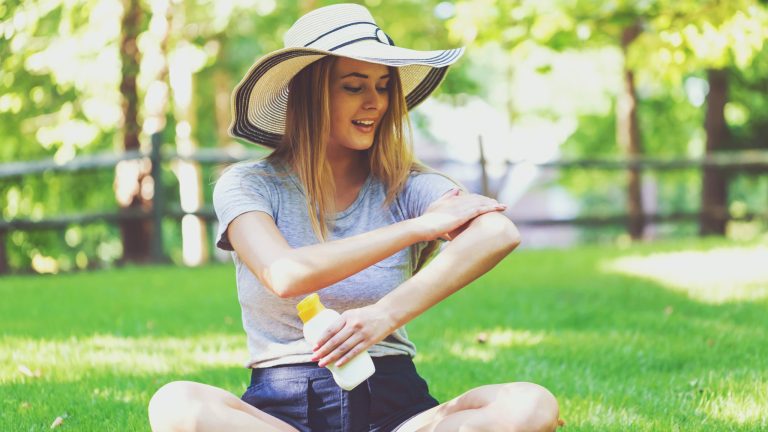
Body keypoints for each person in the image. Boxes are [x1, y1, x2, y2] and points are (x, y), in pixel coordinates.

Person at [148, 3, 559, 431]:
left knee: (531, 405)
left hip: (397, 407)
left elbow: (497, 231)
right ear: (310, 93)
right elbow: (284, 273)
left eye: (383, 86)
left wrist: (382, 317)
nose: (374, 103)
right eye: (353, 86)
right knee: (176, 404)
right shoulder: (249, 183)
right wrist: (419, 228)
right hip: (283, 411)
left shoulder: (407, 184)